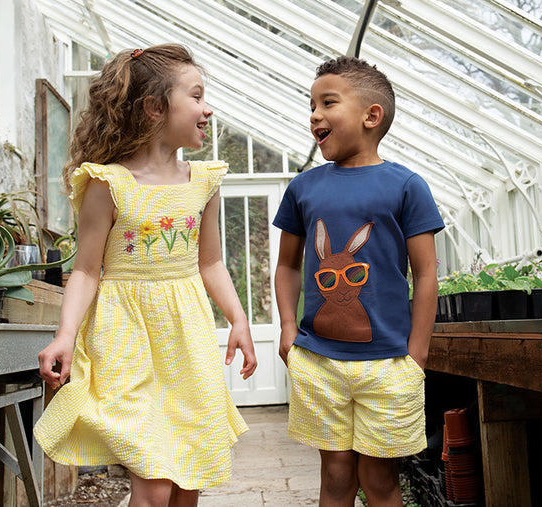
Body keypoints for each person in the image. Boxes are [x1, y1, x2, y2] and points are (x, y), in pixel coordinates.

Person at [34, 43, 256, 507]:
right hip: (125, 338)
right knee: (154, 483)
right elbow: (86, 273)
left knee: (187, 478)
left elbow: (210, 262)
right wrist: (65, 336)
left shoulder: (204, 182)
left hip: (186, 340)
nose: (207, 108)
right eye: (196, 96)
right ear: (155, 107)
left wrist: (238, 318)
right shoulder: (107, 183)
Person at [273, 56, 445, 507]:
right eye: (311, 104)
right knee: (334, 475)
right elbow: (288, 265)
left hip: (390, 363)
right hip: (321, 360)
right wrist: (289, 329)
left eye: (328, 102)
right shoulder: (303, 189)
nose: (314, 114)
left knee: (381, 478)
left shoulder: (407, 185)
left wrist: (418, 352)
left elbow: (426, 272)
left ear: (372, 116)